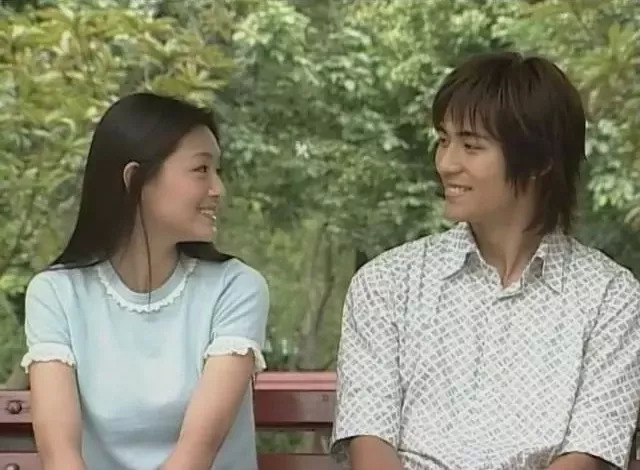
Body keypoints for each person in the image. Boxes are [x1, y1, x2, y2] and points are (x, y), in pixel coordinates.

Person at [330, 51, 640, 470]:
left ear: (541, 160)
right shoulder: (386, 284)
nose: (446, 163)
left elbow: (589, 453)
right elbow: (369, 441)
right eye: (443, 140)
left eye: (471, 146)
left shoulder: (610, 298)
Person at [21, 92, 270, 470]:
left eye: (216, 170)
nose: (218, 189)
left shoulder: (236, 289)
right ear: (135, 179)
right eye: (201, 169)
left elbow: (194, 455)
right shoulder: (56, 294)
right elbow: (61, 457)